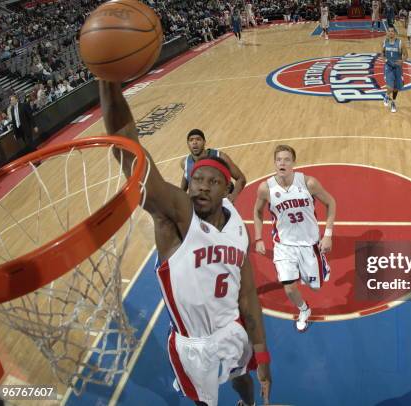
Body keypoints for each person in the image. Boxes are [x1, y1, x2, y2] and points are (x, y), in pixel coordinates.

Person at [99, 80, 271, 406]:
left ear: (227, 191)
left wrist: (261, 355)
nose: (202, 186)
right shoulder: (175, 219)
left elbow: (247, 296)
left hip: (230, 327)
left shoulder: (235, 226)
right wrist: (107, 78)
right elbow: (130, 151)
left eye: (212, 182)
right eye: (197, 180)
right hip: (192, 344)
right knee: (204, 402)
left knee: (242, 382)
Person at [253, 145, 336, 332]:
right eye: (279, 160)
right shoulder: (265, 188)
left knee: (316, 287)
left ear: (294, 163)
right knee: (289, 287)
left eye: (286, 159)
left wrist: (328, 235)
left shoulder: (309, 183)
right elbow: (257, 212)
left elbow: (331, 203)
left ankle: (320, 263)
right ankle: (303, 310)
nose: (282, 163)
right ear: (274, 163)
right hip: (284, 246)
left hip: (309, 244)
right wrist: (259, 238)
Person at [180, 129, 246, 202]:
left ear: (204, 142)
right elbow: (184, 186)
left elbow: (241, 178)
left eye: (198, 139)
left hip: (223, 201)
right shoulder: (185, 163)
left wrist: (233, 196)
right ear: (187, 143)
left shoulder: (220, 157)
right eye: (191, 140)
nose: (194, 142)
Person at [381, 26, 408, 113]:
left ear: (395, 33)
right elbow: (382, 53)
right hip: (388, 66)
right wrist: (384, 59)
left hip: (397, 67)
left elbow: (406, 55)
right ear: (387, 33)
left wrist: (402, 60)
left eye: (392, 31)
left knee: (396, 88)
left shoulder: (400, 43)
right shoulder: (385, 42)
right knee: (390, 86)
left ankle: (393, 102)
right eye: (389, 31)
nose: (391, 33)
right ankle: (386, 95)